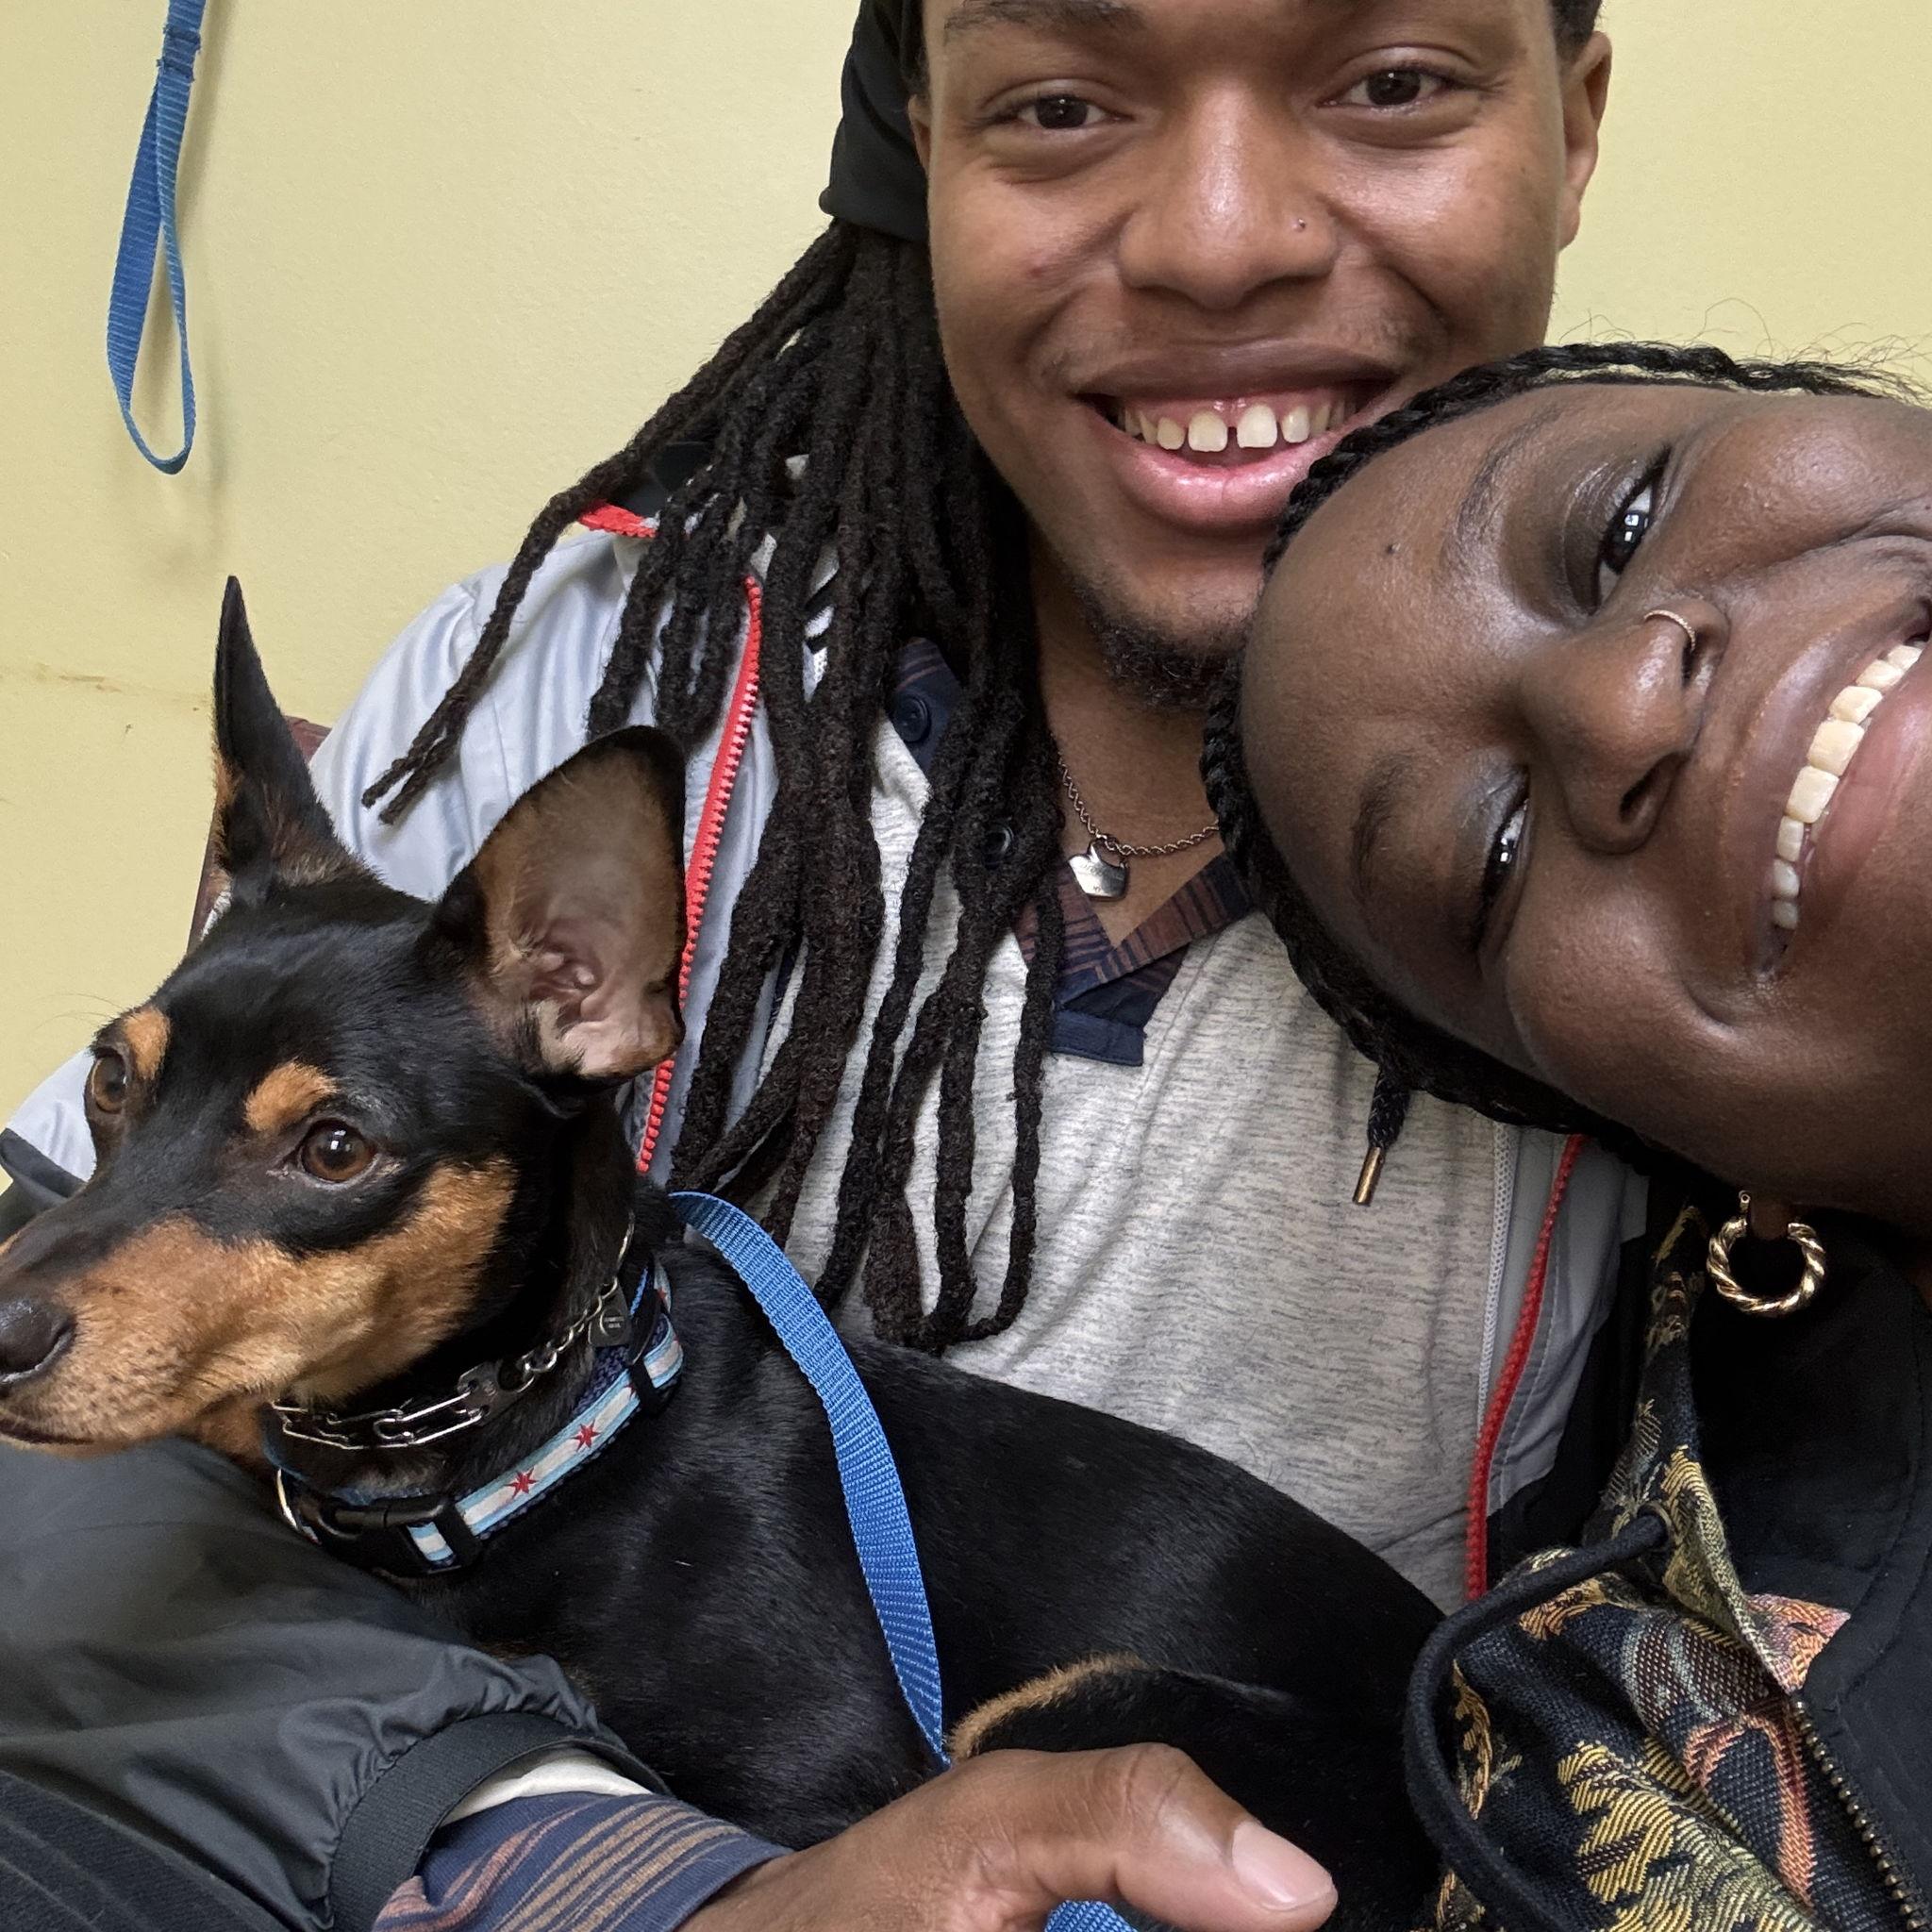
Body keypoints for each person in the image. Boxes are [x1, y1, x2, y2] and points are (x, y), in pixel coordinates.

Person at [0, 3, 1621, 1927]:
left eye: (1389, 82)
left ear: (1576, 120)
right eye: (1061, 100)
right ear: (918, 140)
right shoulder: (577, 674)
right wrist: (562, 1855)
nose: (1218, 238)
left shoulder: (1691, 902)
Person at [1209, 340, 1932, 1924]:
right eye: (1496, 860)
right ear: (1719, 1173)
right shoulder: (1662, 1790)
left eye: (1622, 527)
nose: (1616, 705)